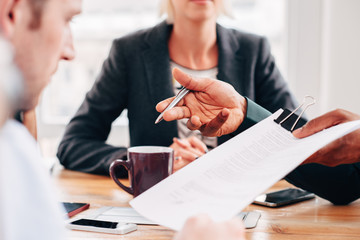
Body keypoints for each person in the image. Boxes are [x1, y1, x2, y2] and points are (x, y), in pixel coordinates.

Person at [57, 0, 298, 176]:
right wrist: (151, 162)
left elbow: (297, 133)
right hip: (158, 204)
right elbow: (73, 144)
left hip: (240, 203)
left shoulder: (253, 50)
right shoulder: (129, 52)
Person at [156, 68, 360, 205]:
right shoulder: (131, 50)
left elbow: (345, 181)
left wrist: (245, 113)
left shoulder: (255, 48)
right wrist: (155, 160)